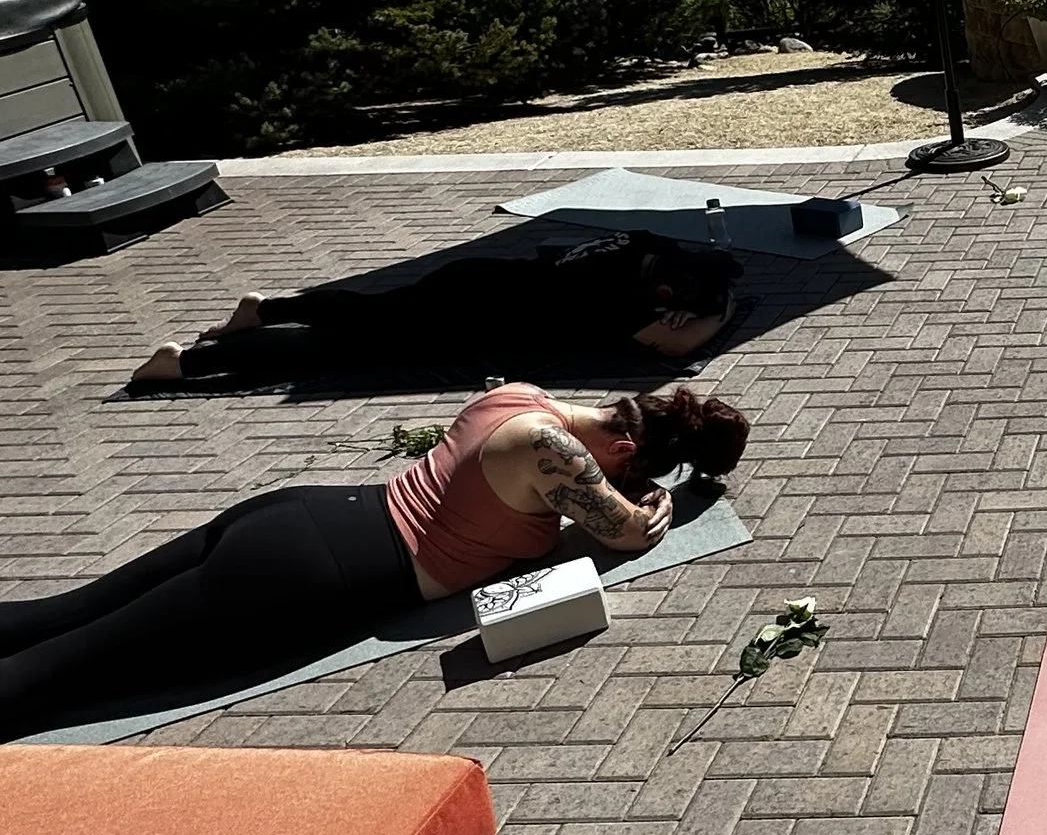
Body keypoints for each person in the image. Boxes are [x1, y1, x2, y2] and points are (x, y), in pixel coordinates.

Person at [0, 381, 748, 739]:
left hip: (300, 513)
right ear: (624, 450)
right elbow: (625, 532)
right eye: (627, 471)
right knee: (71, 671)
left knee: (65, 614)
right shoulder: (558, 452)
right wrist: (653, 505)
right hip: (306, 575)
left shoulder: (524, 393)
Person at [128, 232, 742, 391]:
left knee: (368, 311)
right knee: (335, 348)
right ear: (671, 296)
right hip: (464, 317)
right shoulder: (624, 303)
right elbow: (673, 349)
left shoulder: (642, 248)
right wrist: (711, 318)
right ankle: (186, 363)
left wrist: (705, 299)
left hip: (476, 281)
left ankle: (263, 310)